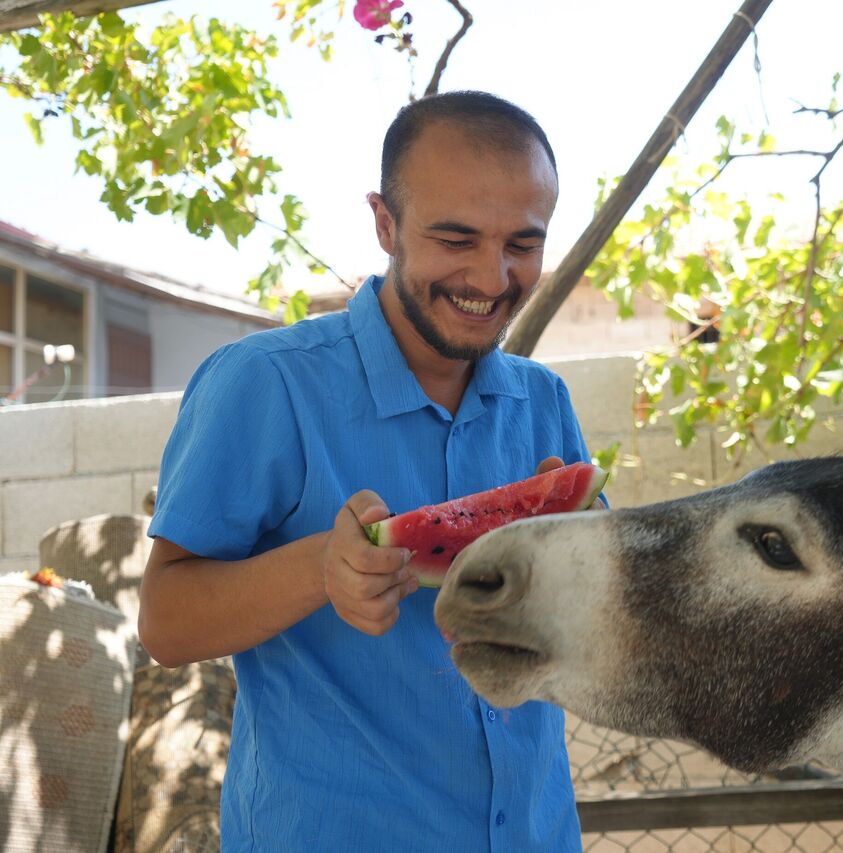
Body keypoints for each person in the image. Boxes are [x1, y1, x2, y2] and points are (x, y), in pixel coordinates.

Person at [140, 91, 595, 851]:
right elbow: (165, 621)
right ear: (385, 223)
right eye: (456, 238)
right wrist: (322, 567)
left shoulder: (543, 401)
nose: (493, 276)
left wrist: (586, 561)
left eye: (524, 242)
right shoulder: (264, 384)